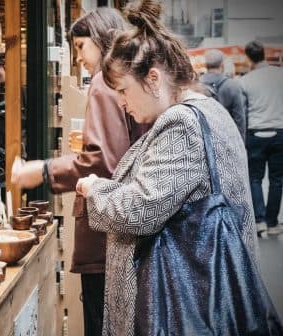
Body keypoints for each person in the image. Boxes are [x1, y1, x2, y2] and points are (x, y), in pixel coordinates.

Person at [75, 1, 256, 335]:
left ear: (153, 78)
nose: (123, 104)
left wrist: (94, 189)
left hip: (185, 306)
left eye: (124, 91)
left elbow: (140, 209)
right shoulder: (207, 110)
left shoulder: (181, 123)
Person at [12, 8, 149, 336]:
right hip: (129, 229)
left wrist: (42, 171)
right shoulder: (129, 81)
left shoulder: (104, 82)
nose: (78, 58)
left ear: (102, 41)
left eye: (80, 46)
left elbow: (102, 161)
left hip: (106, 234)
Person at [240, 40, 283, 236]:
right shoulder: (280, 75)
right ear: (264, 53)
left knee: (254, 178)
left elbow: (242, 111)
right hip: (280, 132)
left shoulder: (245, 81)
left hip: (255, 133)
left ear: (248, 58)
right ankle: (273, 223)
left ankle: (260, 221)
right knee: (277, 180)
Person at [199, 49, 246, 139]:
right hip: (227, 137)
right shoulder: (233, 85)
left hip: (204, 137)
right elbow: (239, 118)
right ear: (222, 64)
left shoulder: (196, 85)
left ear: (206, 65)